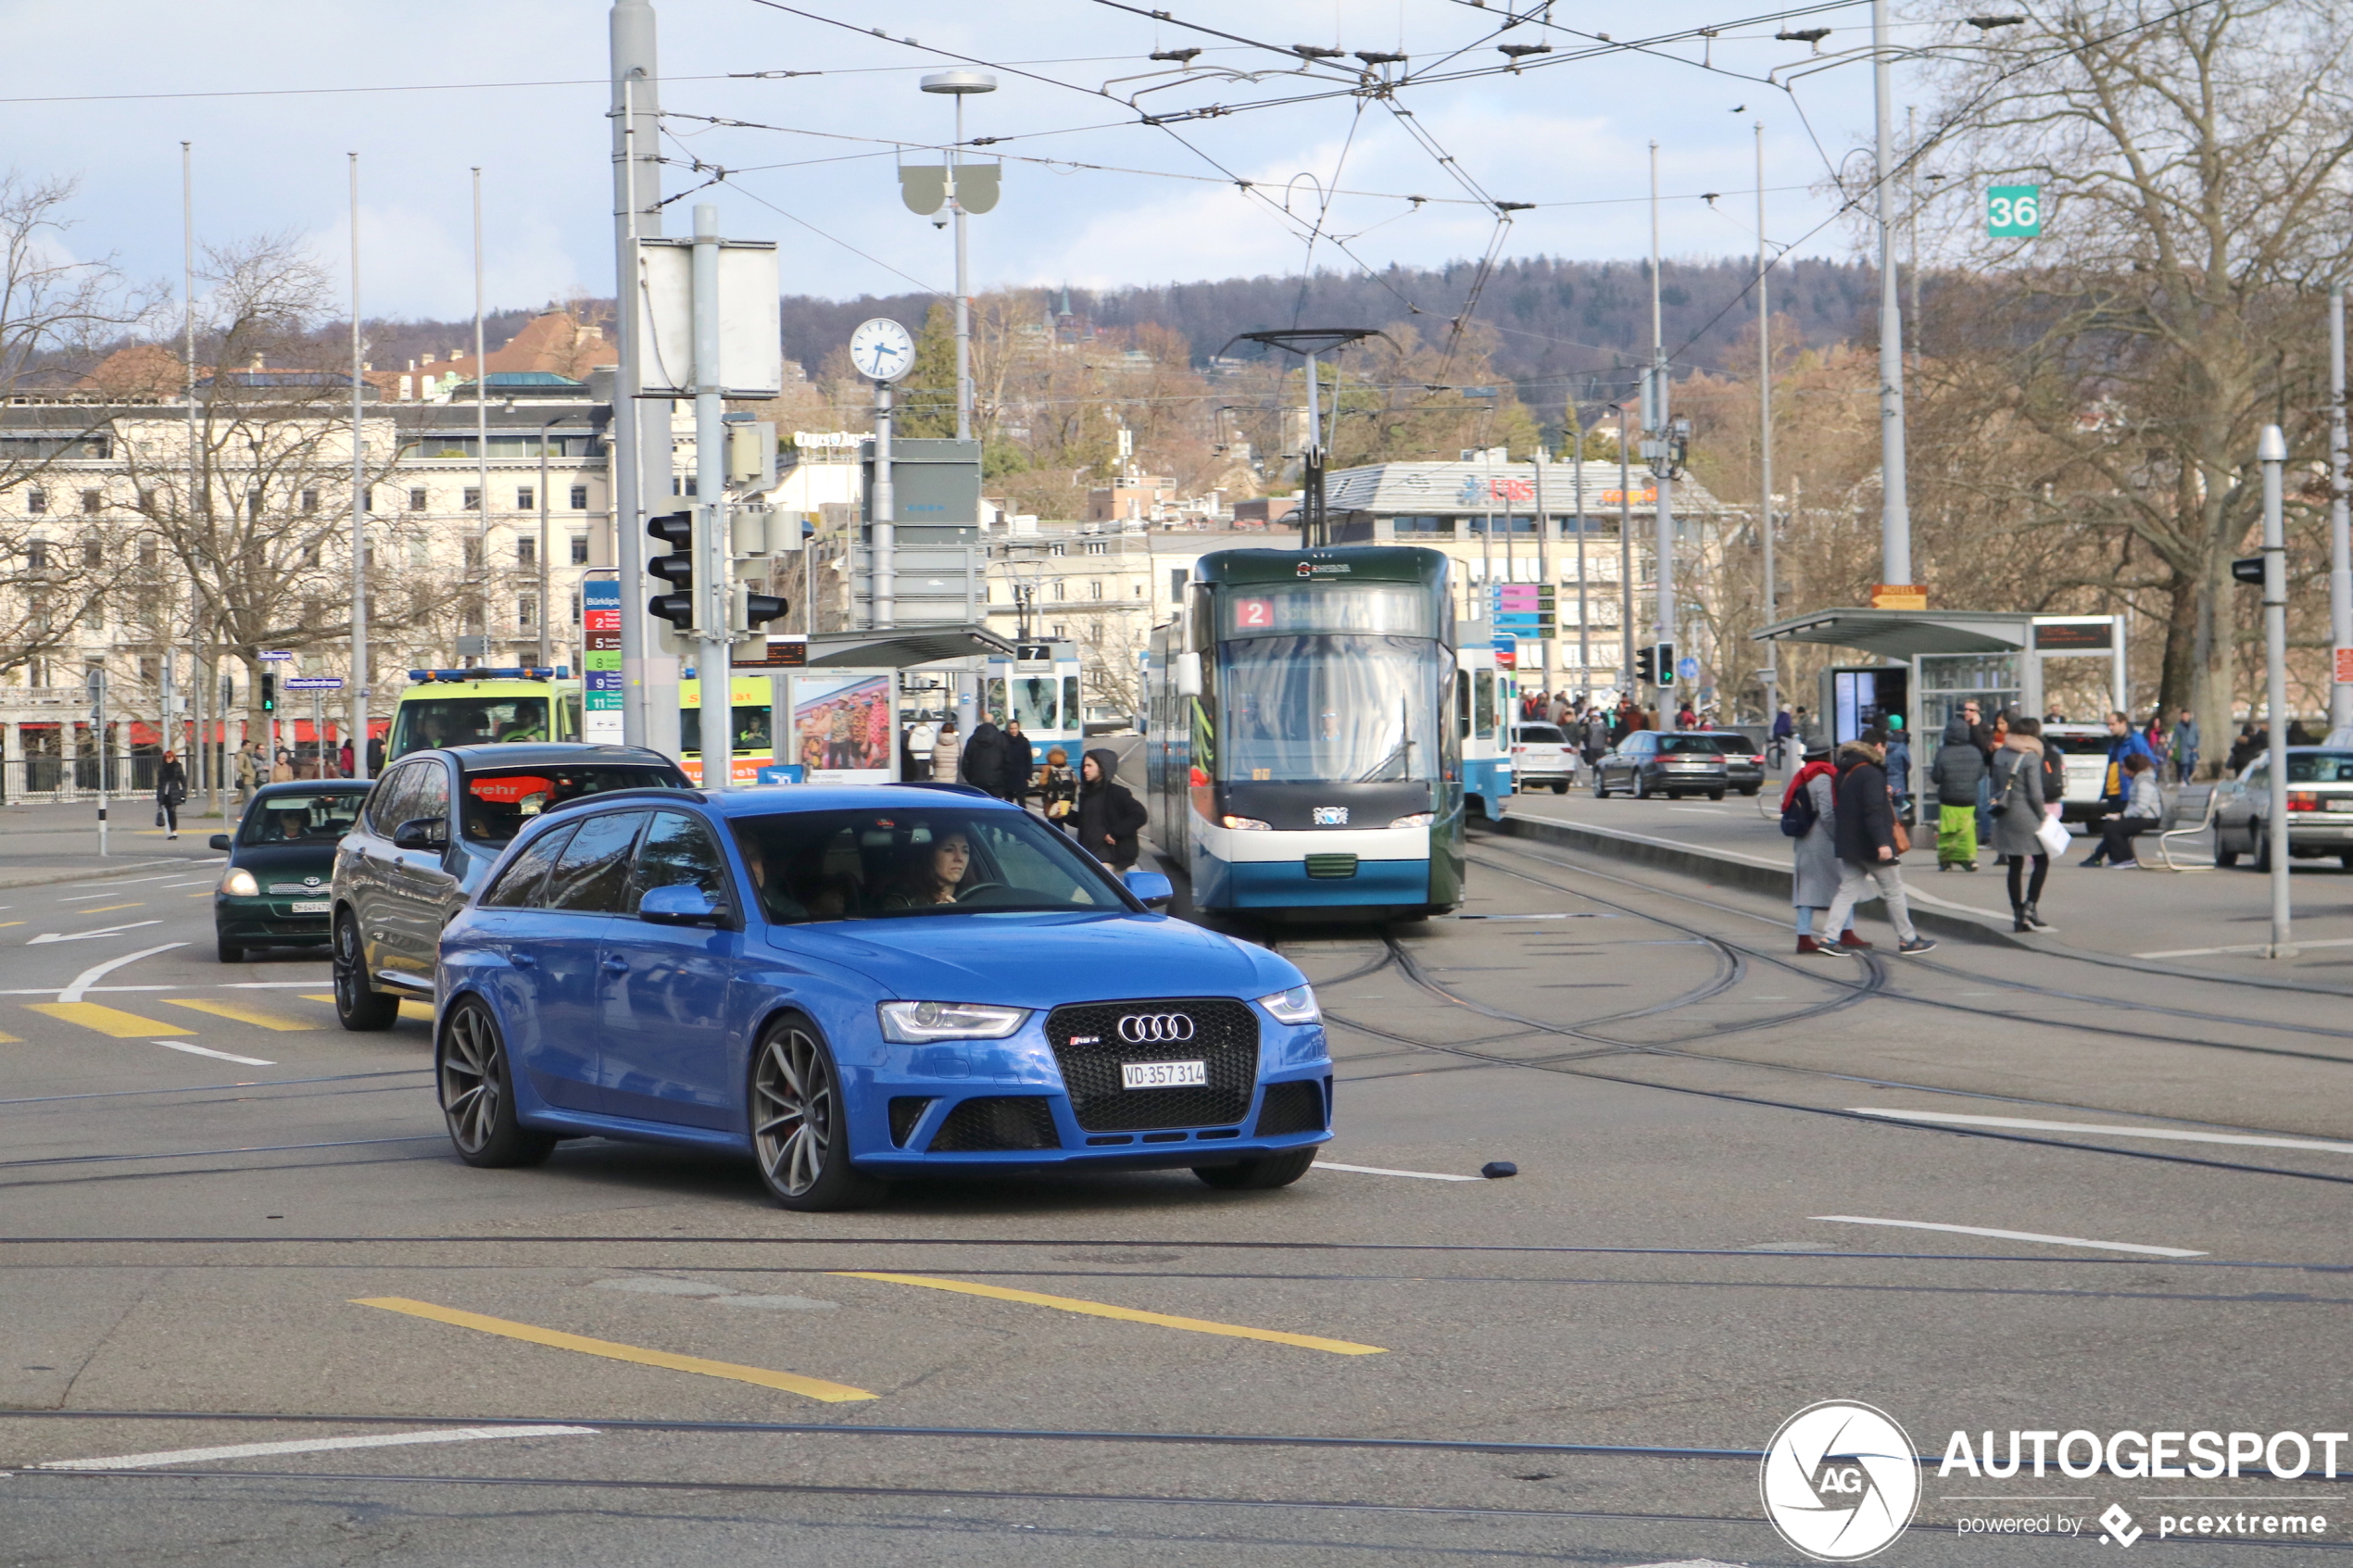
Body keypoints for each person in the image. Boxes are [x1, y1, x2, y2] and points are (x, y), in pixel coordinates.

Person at [1818, 732, 1936, 956]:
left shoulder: (1844, 773)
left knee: (1846, 891)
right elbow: (1872, 811)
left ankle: (1829, 936)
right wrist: (1883, 844)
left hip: (1851, 845)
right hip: (1871, 844)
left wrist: (1882, 795)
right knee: (1893, 891)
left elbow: (1850, 804)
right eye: (1884, 747)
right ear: (1878, 747)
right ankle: (1908, 939)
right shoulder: (1871, 773)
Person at [1785, 746, 1854, 954]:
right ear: (1826, 755)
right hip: (1821, 840)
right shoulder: (1823, 777)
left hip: (1805, 839)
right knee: (1844, 885)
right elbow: (1827, 813)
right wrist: (1839, 836)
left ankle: (1804, 935)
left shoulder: (1804, 775)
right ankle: (1845, 932)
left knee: (1807, 888)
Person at [1989, 716, 2054, 931]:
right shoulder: (2031, 757)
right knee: (2041, 859)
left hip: (2006, 813)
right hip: (2026, 814)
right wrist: (2043, 815)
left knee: (2015, 864)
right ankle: (2031, 905)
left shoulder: (2000, 753)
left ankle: (2018, 913)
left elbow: (1994, 786)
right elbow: (2035, 793)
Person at [1928, 714, 1986, 872]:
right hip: (1969, 798)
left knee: (1948, 830)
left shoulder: (1943, 752)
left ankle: (1946, 859)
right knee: (1967, 830)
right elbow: (1980, 774)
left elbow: (1936, 777)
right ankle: (1969, 858)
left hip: (1948, 798)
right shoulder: (1975, 752)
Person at [2083, 752, 2162, 869]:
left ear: (2132, 768)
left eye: (2123, 767)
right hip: (2142, 817)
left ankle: (2125, 859)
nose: (2122, 770)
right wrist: (2120, 815)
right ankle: (2109, 857)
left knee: (2112, 828)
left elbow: (2141, 807)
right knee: (2111, 825)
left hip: (2149, 819)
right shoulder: (2138, 780)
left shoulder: (2144, 782)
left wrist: (2122, 816)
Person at [1075, 748, 1148, 871]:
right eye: (1084, 766)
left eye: (1089, 766)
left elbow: (1139, 815)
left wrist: (1115, 833)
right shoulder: (1086, 794)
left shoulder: (1117, 793)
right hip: (1089, 857)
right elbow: (1086, 821)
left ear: (1102, 767)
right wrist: (1064, 814)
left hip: (1109, 860)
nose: (1085, 770)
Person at [879, 828, 973, 909]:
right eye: (949, 850)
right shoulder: (902, 901)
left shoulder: (979, 897)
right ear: (929, 856)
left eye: (965, 851)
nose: (959, 858)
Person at [2097, 709, 2157, 812]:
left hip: (2127, 793)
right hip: (2113, 792)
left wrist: (2139, 785)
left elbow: (2149, 762)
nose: (2110, 728)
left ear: (2123, 723)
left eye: (2113, 724)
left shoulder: (2135, 739)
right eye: (2108, 724)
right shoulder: (2114, 741)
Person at [960, 716, 1007, 795]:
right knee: (995, 805)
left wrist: (970, 778)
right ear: (994, 722)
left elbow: (966, 762)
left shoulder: (973, 739)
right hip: (996, 782)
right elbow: (1007, 760)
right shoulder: (1001, 738)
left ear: (982, 722)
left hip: (976, 781)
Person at [1035, 745, 1078, 822]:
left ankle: (1055, 834)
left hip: (1052, 799)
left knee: (1053, 819)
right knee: (1062, 817)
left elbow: (1042, 782)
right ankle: (1061, 834)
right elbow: (1075, 782)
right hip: (1066, 799)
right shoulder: (1068, 768)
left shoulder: (1048, 768)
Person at [1882, 714, 1913, 824]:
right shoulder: (1902, 744)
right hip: (1898, 782)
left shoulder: (1882, 744)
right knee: (1897, 810)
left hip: (1883, 781)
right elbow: (1908, 765)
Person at [155, 748, 187, 840]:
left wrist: (183, 794)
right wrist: (159, 796)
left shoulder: (177, 767)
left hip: (174, 793)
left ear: (173, 757)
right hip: (164, 794)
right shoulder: (162, 768)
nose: (168, 759)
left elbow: (183, 781)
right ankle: (171, 831)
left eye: (170, 757)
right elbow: (160, 783)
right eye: (166, 758)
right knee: (168, 812)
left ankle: (174, 832)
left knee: (172, 812)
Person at [998, 720, 1032, 803]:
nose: (1013, 731)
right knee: (1008, 800)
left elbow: (1028, 759)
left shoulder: (1024, 741)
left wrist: (1028, 775)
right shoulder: (1002, 740)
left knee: (1022, 800)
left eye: (1015, 728)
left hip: (1021, 775)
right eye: (1011, 728)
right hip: (1007, 775)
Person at [2170, 707, 2199, 784]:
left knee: (2192, 766)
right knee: (2185, 765)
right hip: (2184, 748)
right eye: (2183, 716)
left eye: (2186, 716)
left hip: (2193, 748)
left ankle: (2189, 778)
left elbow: (2198, 737)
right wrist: (2170, 748)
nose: (2184, 717)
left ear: (2189, 716)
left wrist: (2196, 747)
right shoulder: (2178, 726)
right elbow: (2174, 737)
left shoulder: (2194, 725)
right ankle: (2186, 781)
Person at [929, 719, 962, 783]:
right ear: (953, 731)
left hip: (939, 778)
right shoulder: (959, 746)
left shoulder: (936, 746)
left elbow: (932, 761)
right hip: (954, 778)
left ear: (942, 731)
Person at [1771, 702, 1794, 769]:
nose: (1791, 710)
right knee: (1785, 749)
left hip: (1777, 734)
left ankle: (1779, 764)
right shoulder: (1787, 716)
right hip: (1783, 734)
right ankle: (1783, 765)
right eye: (1790, 709)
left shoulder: (1780, 714)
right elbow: (1787, 726)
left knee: (1780, 749)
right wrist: (1791, 733)